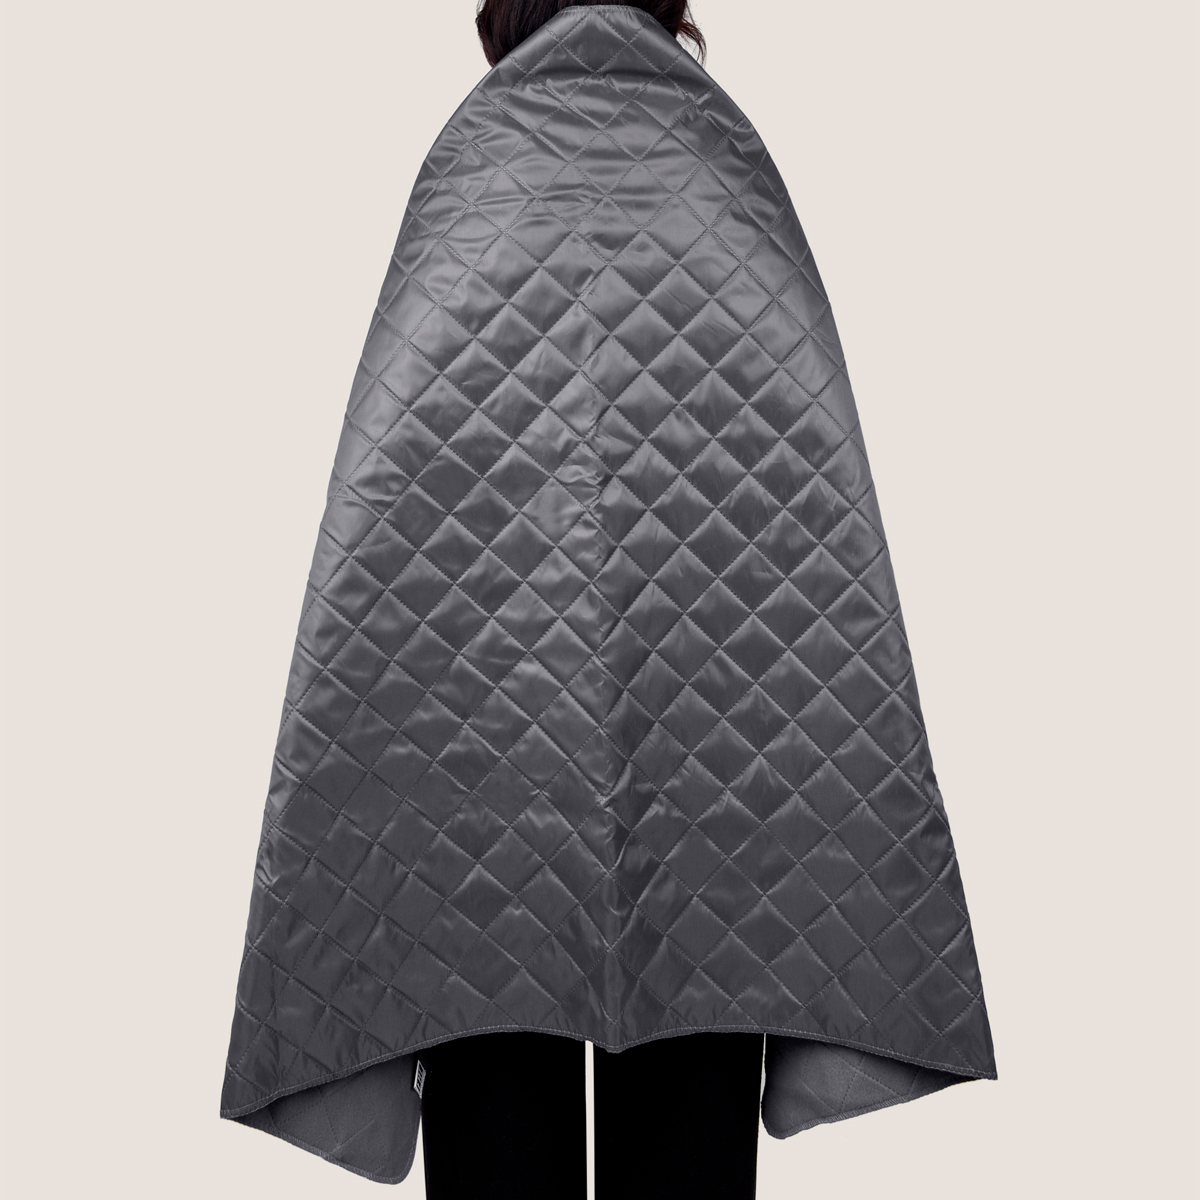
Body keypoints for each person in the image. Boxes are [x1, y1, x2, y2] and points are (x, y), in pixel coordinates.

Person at [220, 1, 996, 1195]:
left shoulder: (474, 169)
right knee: (692, 1095)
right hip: (714, 789)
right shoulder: (723, 167)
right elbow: (809, 510)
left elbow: (388, 520)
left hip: (476, 800)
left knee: (493, 1105)